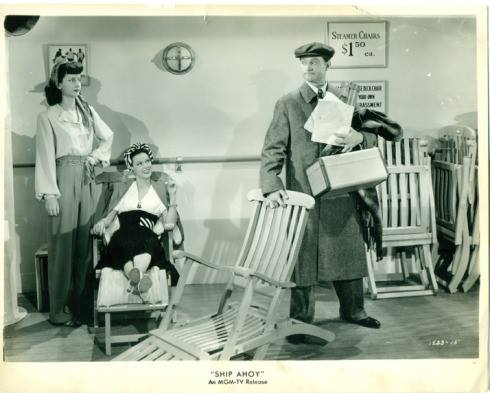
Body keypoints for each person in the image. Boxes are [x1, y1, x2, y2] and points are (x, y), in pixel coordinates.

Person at [260, 42, 383, 344]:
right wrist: (272, 187)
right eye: (304, 63)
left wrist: (360, 136)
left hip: (341, 191)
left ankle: (353, 311)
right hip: (305, 195)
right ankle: (300, 321)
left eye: (315, 62)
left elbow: (367, 134)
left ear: (328, 66)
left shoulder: (343, 99)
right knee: (303, 259)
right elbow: (272, 149)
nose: (308, 68)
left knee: (349, 251)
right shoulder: (287, 103)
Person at [35, 60, 114, 327]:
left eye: (79, 78)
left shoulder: (88, 111)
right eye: (71, 79)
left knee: (84, 246)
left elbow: (108, 137)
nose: (77, 83)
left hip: (87, 178)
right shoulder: (48, 116)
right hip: (62, 178)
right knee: (62, 246)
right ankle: (58, 311)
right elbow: (45, 155)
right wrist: (50, 195)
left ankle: (79, 306)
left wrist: (95, 157)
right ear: (59, 83)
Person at [92, 143, 180, 296]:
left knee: (147, 238)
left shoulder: (157, 190)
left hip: (147, 240)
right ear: (132, 168)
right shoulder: (124, 189)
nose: (146, 166)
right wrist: (101, 223)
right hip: (123, 238)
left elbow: (169, 224)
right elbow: (109, 218)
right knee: (120, 239)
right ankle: (138, 280)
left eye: (147, 161)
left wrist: (172, 197)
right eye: (140, 163)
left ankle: (135, 277)